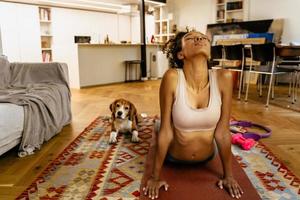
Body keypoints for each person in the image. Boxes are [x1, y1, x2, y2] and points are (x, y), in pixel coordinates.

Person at [142, 30, 243, 199]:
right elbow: (167, 130)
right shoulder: (172, 77)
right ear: (181, 54)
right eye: (190, 38)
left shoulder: (223, 77)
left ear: (210, 51)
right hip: (174, 158)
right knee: (160, 127)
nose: (199, 38)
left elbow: (223, 131)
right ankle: (153, 127)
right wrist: (155, 178)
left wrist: (228, 176)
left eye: (203, 37)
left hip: (208, 157)